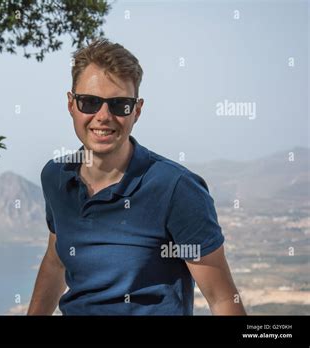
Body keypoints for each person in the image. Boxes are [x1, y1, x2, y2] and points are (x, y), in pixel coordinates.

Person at [27, 38, 246, 315]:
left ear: (137, 111)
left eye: (120, 105)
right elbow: (56, 261)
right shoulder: (56, 177)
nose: (103, 116)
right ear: (71, 105)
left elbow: (222, 299)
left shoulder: (175, 188)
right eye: (90, 102)